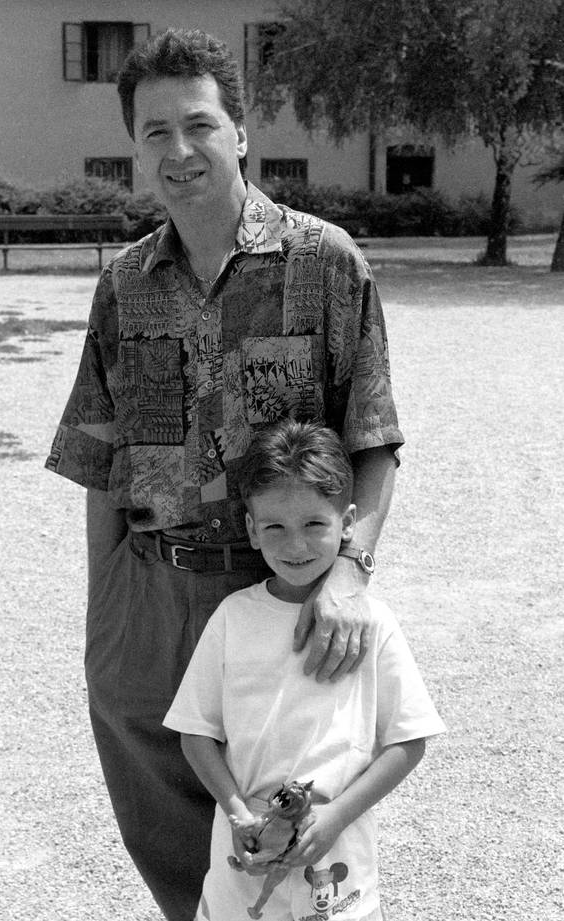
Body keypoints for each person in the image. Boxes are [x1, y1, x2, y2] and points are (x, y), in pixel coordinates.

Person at [45, 27, 404, 921]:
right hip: (149, 591)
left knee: (288, 828)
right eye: (154, 132)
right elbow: (101, 460)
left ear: (240, 131)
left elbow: (373, 439)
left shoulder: (326, 264)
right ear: (137, 148)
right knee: (170, 837)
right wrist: (106, 617)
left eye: (198, 125)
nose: (179, 150)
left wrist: (351, 575)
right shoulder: (125, 283)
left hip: (275, 592)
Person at [163, 420, 445, 921]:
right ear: (251, 529)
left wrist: (337, 816)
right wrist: (236, 812)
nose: (295, 546)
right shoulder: (232, 618)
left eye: (315, 524)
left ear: (349, 522)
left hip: (338, 855)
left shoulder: (372, 624)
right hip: (242, 857)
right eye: (275, 527)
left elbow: (409, 740)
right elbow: (195, 734)